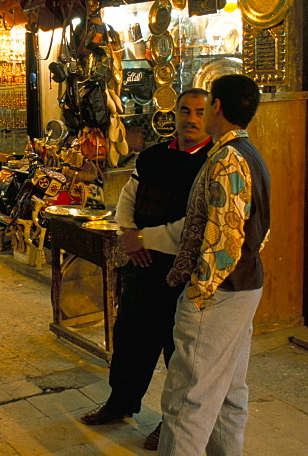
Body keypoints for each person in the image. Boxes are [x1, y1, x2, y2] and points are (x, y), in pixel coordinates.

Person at [80, 89, 212, 452]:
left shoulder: (213, 162)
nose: (191, 119)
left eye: (200, 112)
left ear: (211, 115)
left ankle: (173, 421)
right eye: (185, 110)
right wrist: (126, 232)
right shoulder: (155, 154)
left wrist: (142, 237)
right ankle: (121, 402)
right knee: (131, 339)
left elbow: (196, 224)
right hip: (142, 265)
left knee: (177, 350)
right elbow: (129, 195)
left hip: (179, 271)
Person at [158, 74, 271, 455]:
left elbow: (225, 239)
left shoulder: (228, 159)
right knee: (228, 393)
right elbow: (257, 229)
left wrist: (199, 293)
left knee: (187, 400)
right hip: (244, 287)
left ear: (217, 106)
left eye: (206, 105)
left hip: (220, 293)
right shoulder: (249, 154)